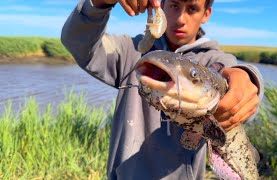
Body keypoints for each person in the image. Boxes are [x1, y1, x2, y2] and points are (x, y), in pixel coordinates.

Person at [61, 0, 264, 179]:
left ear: (206, 13)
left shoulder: (215, 60)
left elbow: (235, 78)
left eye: (192, 8)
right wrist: (99, 3)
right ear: (162, 5)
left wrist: (249, 77)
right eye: (174, 6)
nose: (181, 19)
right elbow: (77, 43)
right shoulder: (133, 52)